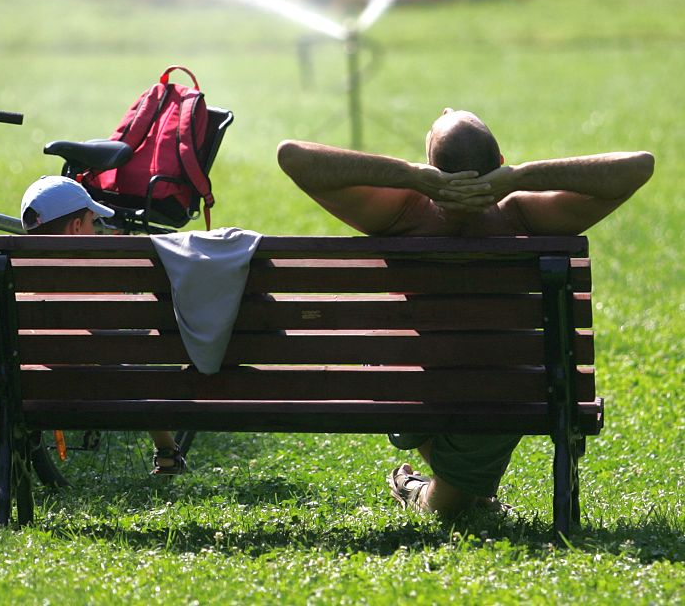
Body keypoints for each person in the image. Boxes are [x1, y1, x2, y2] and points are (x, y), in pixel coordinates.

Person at [276, 108, 654, 518]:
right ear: (500, 165)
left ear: (432, 169)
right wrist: (521, 177)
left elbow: (293, 156)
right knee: (453, 507)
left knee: (450, 505)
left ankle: (421, 488)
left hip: (407, 388)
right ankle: (442, 491)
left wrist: (410, 176)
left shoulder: (402, 212)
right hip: (504, 395)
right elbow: (637, 167)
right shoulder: (523, 215)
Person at [20, 176, 187, 477]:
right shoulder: (93, 281)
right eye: (92, 224)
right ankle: (166, 450)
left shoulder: (18, 275)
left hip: (32, 385)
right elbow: (129, 333)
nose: (96, 232)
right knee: (131, 368)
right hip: (96, 384)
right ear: (75, 228)